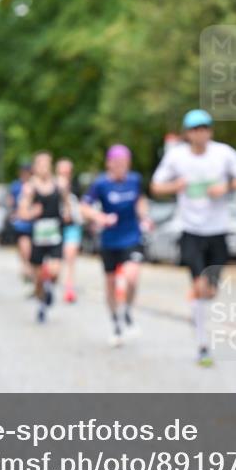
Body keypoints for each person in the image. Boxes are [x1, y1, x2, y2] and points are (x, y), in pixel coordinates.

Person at [151, 109, 236, 367]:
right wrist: (175, 186)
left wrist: (226, 186)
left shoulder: (223, 153)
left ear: (210, 131)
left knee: (211, 291)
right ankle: (202, 345)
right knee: (199, 285)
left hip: (217, 231)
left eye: (205, 128)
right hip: (190, 231)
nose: (200, 133)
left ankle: (196, 308)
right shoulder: (176, 157)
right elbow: (156, 186)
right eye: (195, 129)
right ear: (188, 134)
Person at [81, 145, 151, 346]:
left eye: (125, 163)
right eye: (118, 163)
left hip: (132, 237)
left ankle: (127, 310)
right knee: (111, 282)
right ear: (109, 164)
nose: (122, 167)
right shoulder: (101, 183)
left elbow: (140, 200)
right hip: (110, 240)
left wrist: (144, 217)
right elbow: (84, 207)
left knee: (131, 276)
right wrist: (100, 217)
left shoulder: (135, 180)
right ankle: (115, 323)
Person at [18, 151, 65, 323]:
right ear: (35, 167)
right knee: (38, 278)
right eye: (41, 165)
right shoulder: (29, 188)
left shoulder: (59, 184)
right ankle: (41, 304)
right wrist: (32, 213)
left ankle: (49, 288)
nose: (44, 168)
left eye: (47, 164)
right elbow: (22, 212)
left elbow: (67, 204)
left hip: (55, 234)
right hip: (38, 236)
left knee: (55, 271)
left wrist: (68, 213)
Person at [56, 157, 83, 303]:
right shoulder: (52, 185)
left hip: (72, 225)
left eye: (68, 171)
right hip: (55, 227)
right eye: (62, 171)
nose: (65, 173)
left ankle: (69, 288)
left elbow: (81, 205)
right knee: (55, 262)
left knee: (70, 256)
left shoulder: (76, 186)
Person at [9, 163, 34, 284]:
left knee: (31, 248)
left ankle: (29, 266)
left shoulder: (34, 184)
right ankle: (26, 266)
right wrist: (14, 211)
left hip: (33, 220)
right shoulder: (16, 186)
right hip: (21, 222)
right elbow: (11, 201)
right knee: (23, 247)